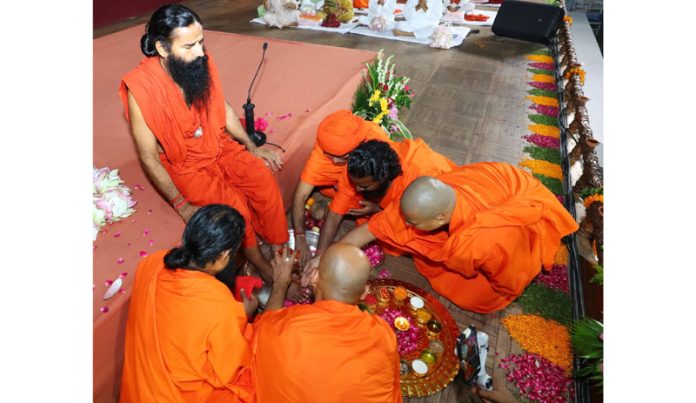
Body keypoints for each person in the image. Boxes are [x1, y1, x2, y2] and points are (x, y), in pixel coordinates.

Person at [119, 4, 287, 286]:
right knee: (235, 211)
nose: (200, 52)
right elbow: (148, 156)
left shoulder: (198, 61)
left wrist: (251, 146)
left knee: (263, 181)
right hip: (185, 164)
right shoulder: (141, 88)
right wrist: (182, 206)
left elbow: (221, 105)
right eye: (189, 46)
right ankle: (258, 262)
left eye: (201, 42)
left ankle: (279, 247)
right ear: (162, 48)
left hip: (218, 144)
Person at [338, 163, 580, 313]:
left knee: (480, 298)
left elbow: (510, 280)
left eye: (413, 222)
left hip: (516, 218)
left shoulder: (483, 240)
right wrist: (333, 254)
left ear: (441, 216)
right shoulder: (443, 189)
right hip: (506, 185)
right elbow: (373, 228)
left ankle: (533, 247)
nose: (407, 225)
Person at [120, 204, 294, 402]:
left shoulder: (151, 263)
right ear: (224, 257)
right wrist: (276, 288)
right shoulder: (219, 305)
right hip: (174, 396)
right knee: (265, 367)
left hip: (138, 388)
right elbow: (232, 369)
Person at [251, 243, 403, 403]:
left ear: (314, 277)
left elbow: (262, 330)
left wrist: (280, 284)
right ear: (364, 292)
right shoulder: (383, 334)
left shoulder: (286, 328)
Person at [310, 138, 456, 262]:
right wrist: (320, 254)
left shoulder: (414, 186)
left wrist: (327, 257)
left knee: (418, 240)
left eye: (364, 186)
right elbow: (335, 213)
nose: (358, 190)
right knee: (349, 201)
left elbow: (371, 230)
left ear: (384, 177)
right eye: (355, 184)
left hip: (439, 204)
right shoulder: (364, 166)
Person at [291, 109, 390, 267]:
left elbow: (336, 212)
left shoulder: (376, 144)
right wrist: (300, 236)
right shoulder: (322, 154)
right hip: (346, 183)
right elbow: (300, 195)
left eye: (342, 157)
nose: (336, 161)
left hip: (362, 180)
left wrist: (376, 208)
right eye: (331, 156)